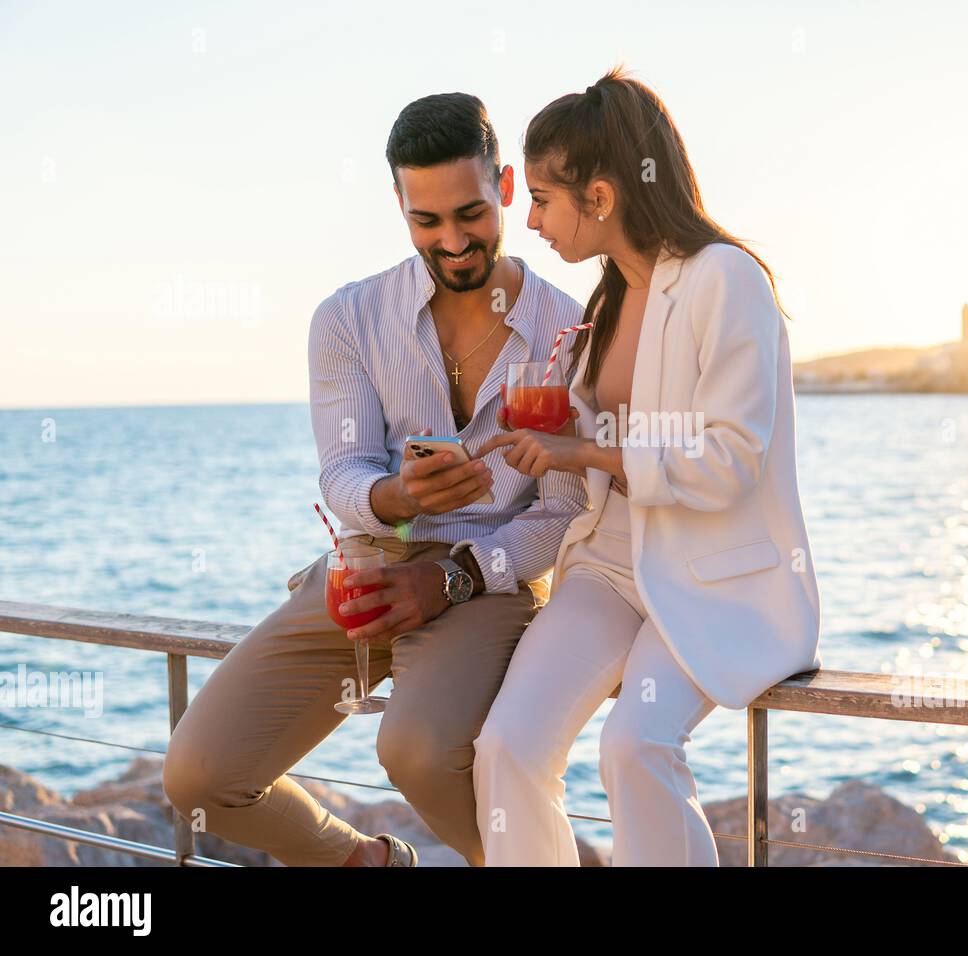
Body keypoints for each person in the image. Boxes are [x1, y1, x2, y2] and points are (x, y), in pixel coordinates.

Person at [162, 91, 587, 867]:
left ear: (505, 188)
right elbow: (345, 469)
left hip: (487, 585)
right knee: (198, 777)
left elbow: (563, 514)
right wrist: (395, 499)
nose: (453, 242)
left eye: (470, 214)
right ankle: (371, 865)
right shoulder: (349, 318)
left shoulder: (570, 332)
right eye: (427, 222)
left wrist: (455, 578)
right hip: (366, 569)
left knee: (419, 751)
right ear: (398, 204)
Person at [471, 66, 821, 866]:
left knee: (634, 748)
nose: (530, 221)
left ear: (601, 197)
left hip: (708, 576)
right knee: (507, 748)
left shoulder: (725, 280)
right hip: (607, 565)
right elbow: (601, 432)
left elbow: (729, 459)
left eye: (545, 201)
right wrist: (526, 435)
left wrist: (587, 449)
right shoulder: (610, 299)